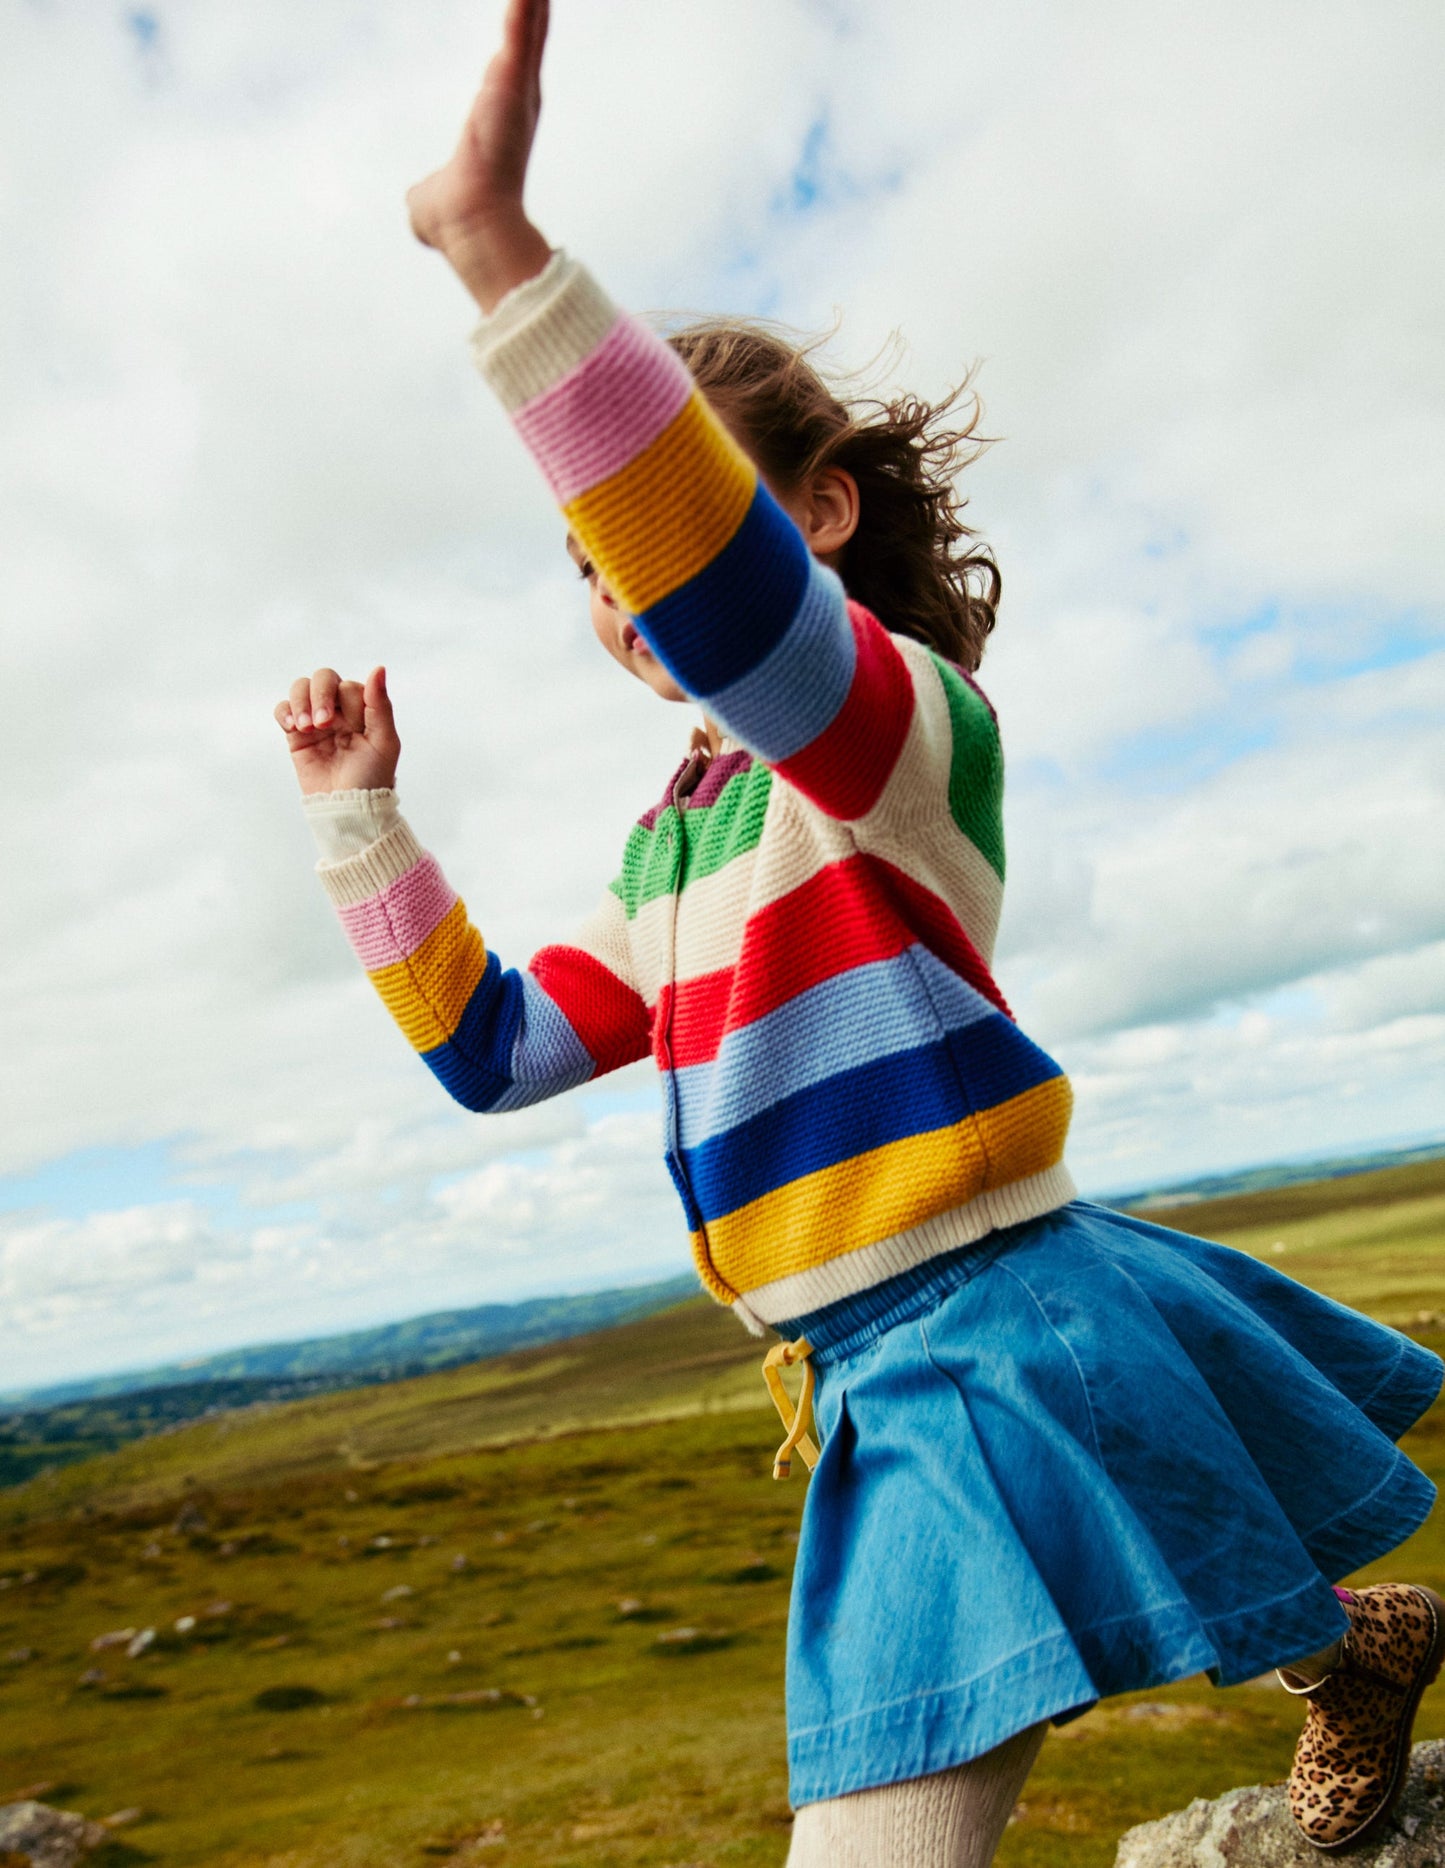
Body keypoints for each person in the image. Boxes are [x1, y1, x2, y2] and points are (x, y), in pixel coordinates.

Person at [274, 3, 1443, 1860]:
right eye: (581, 563)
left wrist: (499, 263)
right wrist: (360, 824)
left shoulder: (889, 731)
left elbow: (735, 610)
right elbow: (493, 1057)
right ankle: (1348, 1649)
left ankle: (1338, 1645)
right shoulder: (675, 857)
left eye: (640, 531)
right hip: (861, 1380)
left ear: (814, 512)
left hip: (993, 1324)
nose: (613, 582)